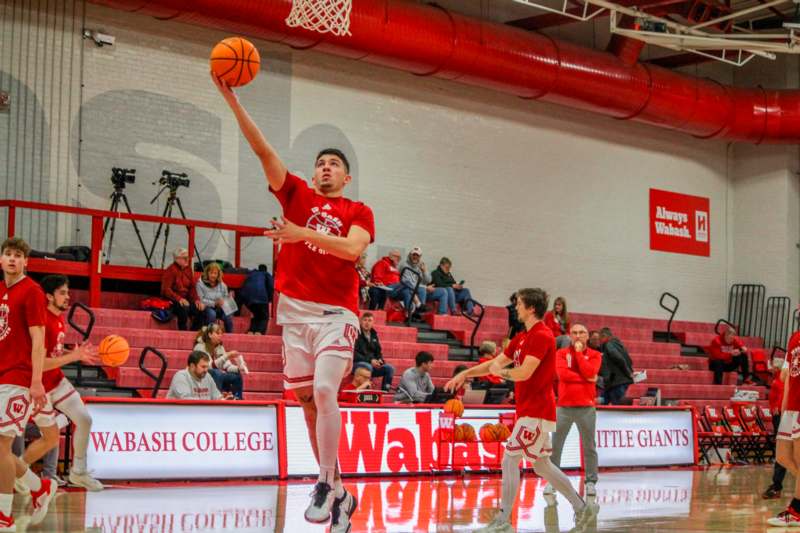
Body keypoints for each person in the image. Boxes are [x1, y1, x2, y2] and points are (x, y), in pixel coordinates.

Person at [214, 72, 373, 530]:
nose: (324, 168)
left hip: (336, 315)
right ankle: (341, 492)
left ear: (345, 175)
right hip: (295, 316)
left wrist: (300, 233)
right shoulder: (296, 193)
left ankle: (324, 480)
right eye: (320, 162)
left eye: (333, 164)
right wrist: (231, 99)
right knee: (307, 402)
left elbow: (352, 249)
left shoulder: (356, 211)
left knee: (325, 390)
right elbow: (263, 150)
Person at [445, 288, 593, 532]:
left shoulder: (543, 336)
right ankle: (581, 508)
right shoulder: (520, 337)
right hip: (527, 409)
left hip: (537, 409)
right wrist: (465, 373)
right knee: (542, 465)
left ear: (531, 308)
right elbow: (495, 363)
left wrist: (499, 372)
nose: (516, 308)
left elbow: (524, 372)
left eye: (519, 304)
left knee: (509, 459)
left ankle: (504, 520)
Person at [14, 275, 103, 493]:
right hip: (35, 385)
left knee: (84, 419)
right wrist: (73, 358)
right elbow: (40, 362)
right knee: (48, 438)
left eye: (68, 292)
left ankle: (78, 471)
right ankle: (20, 471)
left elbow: (51, 351)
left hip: (55, 380)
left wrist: (71, 353)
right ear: (48, 296)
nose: (68, 297)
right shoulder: (42, 321)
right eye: (62, 292)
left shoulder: (58, 318)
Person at [0, 237, 57, 529]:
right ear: (1, 260)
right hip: (1, 373)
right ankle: (38, 487)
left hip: (20, 377)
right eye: (7, 254)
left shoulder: (32, 291)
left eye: (17, 255)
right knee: (2, 451)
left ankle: (4, 515)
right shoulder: (1, 290)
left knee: (2, 446)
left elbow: (38, 340)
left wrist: (36, 381)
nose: (12, 259)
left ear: (26, 262)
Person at [546, 323, 602, 497]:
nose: (578, 336)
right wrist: (587, 378)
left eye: (582, 333)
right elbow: (562, 375)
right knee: (555, 446)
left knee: (589, 446)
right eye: (575, 333)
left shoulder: (595, 355)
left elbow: (590, 370)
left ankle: (591, 482)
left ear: (587, 336)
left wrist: (578, 355)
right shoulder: (560, 354)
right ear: (570, 335)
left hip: (586, 407)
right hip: (563, 407)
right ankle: (552, 482)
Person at [768, 331, 800, 526]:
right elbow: (786, 375)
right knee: (782, 456)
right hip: (792, 407)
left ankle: (796, 509)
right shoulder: (795, 337)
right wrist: (784, 406)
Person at [194, 324, 245, 399]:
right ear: (210, 334)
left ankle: (237, 398)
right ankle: (217, 399)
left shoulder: (220, 347)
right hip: (201, 375)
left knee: (236, 375)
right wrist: (227, 356)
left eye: (221, 334)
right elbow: (209, 366)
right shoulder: (200, 347)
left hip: (217, 375)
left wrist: (239, 368)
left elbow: (227, 366)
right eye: (217, 333)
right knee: (217, 372)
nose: (220, 336)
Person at [763, 360, 788, 499]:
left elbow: (783, 393)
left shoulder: (781, 378)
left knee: (782, 449)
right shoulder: (777, 378)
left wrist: (778, 406)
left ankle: (777, 485)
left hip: (783, 415)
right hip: (779, 415)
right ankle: (776, 485)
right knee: (782, 450)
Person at [161, 248, 200, 331]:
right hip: (172, 300)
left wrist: (196, 300)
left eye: (187, 257)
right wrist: (179, 299)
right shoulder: (170, 270)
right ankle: (183, 331)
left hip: (186, 299)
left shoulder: (188, 269)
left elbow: (192, 288)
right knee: (183, 307)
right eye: (184, 258)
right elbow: (166, 290)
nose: (187, 260)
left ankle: (194, 331)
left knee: (200, 309)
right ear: (176, 259)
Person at [353, 313, 395, 392]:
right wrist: (370, 361)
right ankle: (366, 391)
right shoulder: (356, 334)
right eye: (365, 320)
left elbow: (378, 352)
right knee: (367, 366)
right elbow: (354, 354)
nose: (367, 323)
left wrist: (380, 360)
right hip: (357, 364)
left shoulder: (374, 335)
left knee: (389, 368)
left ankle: (384, 391)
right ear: (360, 322)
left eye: (369, 320)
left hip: (371, 364)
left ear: (373, 323)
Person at [401, 247, 448, 316]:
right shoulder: (405, 265)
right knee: (422, 289)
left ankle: (442, 314)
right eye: (414, 255)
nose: (415, 257)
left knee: (443, 291)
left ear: (420, 257)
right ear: (410, 255)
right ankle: (419, 314)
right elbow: (409, 283)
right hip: (412, 290)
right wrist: (425, 287)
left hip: (422, 290)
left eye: (417, 255)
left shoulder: (421, 265)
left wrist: (424, 271)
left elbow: (429, 280)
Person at [598, 327, 634, 405]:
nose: (599, 341)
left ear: (604, 336)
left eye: (600, 338)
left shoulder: (608, 345)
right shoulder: (619, 345)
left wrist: (628, 373)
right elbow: (629, 360)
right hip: (615, 382)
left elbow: (619, 358)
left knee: (617, 407)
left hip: (617, 382)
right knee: (603, 401)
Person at [196, 262, 234, 333]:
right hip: (206, 307)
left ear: (218, 274)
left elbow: (225, 298)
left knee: (228, 315)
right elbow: (201, 299)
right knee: (212, 314)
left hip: (220, 308)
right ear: (207, 273)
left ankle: (230, 335)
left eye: (215, 273)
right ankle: (209, 334)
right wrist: (215, 303)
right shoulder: (200, 284)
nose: (213, 275)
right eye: (211, 273)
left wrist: (227, 299)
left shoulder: (223, 285)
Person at [236, 264, 274, 335]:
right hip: (261, 298)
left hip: (248, 299)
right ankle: (259, 332)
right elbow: (271, 286)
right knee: (264, 317)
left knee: (257, 315)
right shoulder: (266, 274)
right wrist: (269, 299)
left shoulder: (252, 274)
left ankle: (251, 331)